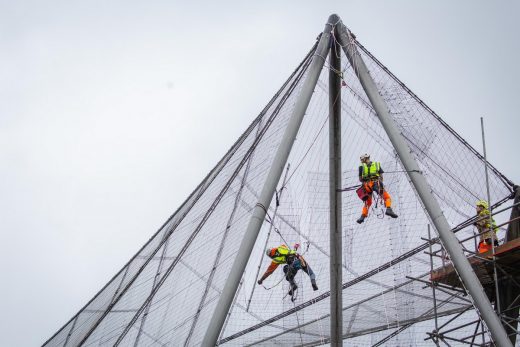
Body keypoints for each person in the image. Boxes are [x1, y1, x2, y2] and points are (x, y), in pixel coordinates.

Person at [356, 153, 398, 224]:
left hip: (367, 186)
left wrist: (366, 181)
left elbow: (360, 179)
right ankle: (388, 209)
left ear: (363, 159)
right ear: (368, 157)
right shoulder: (376, 164)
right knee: (387, 197)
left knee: (368, 202)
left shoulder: (361, 167)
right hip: (376, 183)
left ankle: (363, 216)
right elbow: (381, 177)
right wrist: (380, 183)